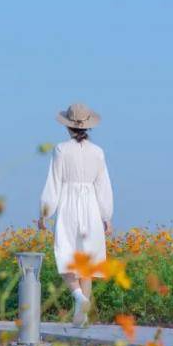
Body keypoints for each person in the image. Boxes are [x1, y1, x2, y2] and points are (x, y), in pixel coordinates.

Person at [38, 103, 113, 327]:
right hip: (91, 205)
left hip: (68, 204)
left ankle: (79, 299)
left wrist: (44, 213)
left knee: (66, 256)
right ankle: (82, 317)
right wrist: (106, 217)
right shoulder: (98, 152)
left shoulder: (61, 150)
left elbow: (54, 183)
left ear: (68, 126)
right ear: (88, 126)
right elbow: (103, 186)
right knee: (86, 261)